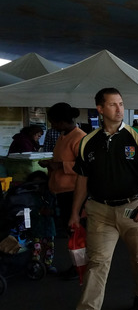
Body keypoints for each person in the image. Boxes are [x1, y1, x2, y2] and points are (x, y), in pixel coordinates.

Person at [65, 87, 138, 310]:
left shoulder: (137, 138)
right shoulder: (88, 142)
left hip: (133, 208)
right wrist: (75, 212)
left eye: (121, 103)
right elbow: (82, 180)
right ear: (100, 109)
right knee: (98, 262)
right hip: (99, 210)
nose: (119, 109)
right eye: (113, 105)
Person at [38, 102, 86, 248]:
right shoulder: (63, 136)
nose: (52, 126)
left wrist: (59, 165)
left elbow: (86, 166)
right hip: (60, 191)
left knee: (76, 231)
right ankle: (77, 265)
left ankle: (80, 267)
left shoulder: (79, 137)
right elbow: (62, 158)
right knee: (69, 231)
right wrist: (51, 163)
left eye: (53, 123)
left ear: (62, 122)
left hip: (73, 192)